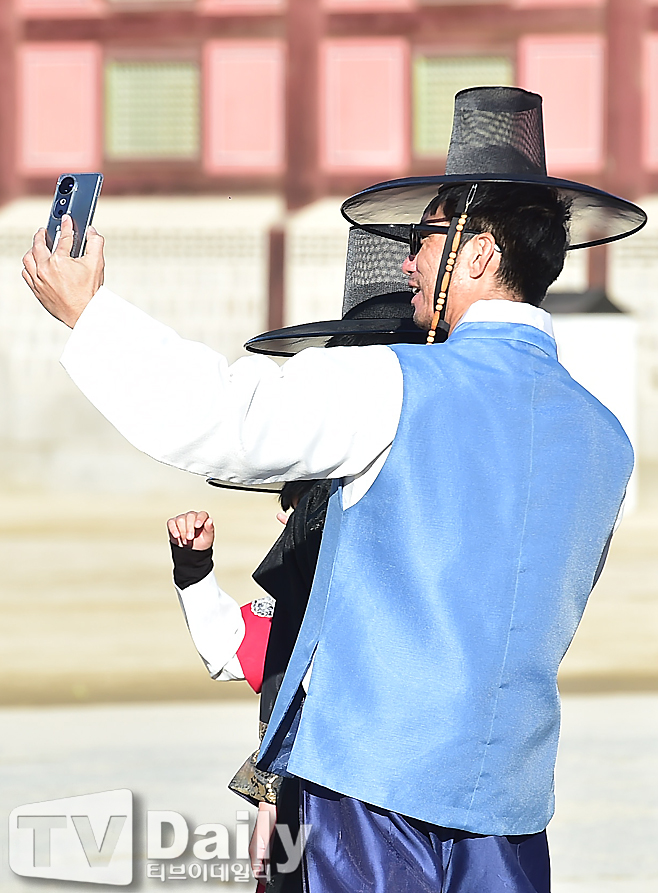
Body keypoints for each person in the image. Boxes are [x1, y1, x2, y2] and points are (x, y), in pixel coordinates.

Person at [22, 87, 645, 892]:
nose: (411, 261)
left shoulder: (395, 382)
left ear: (479, 254)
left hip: (373, 788)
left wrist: (91, 314)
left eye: (423, 239)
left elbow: (227, 417)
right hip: (510, 806)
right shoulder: (607, 438)